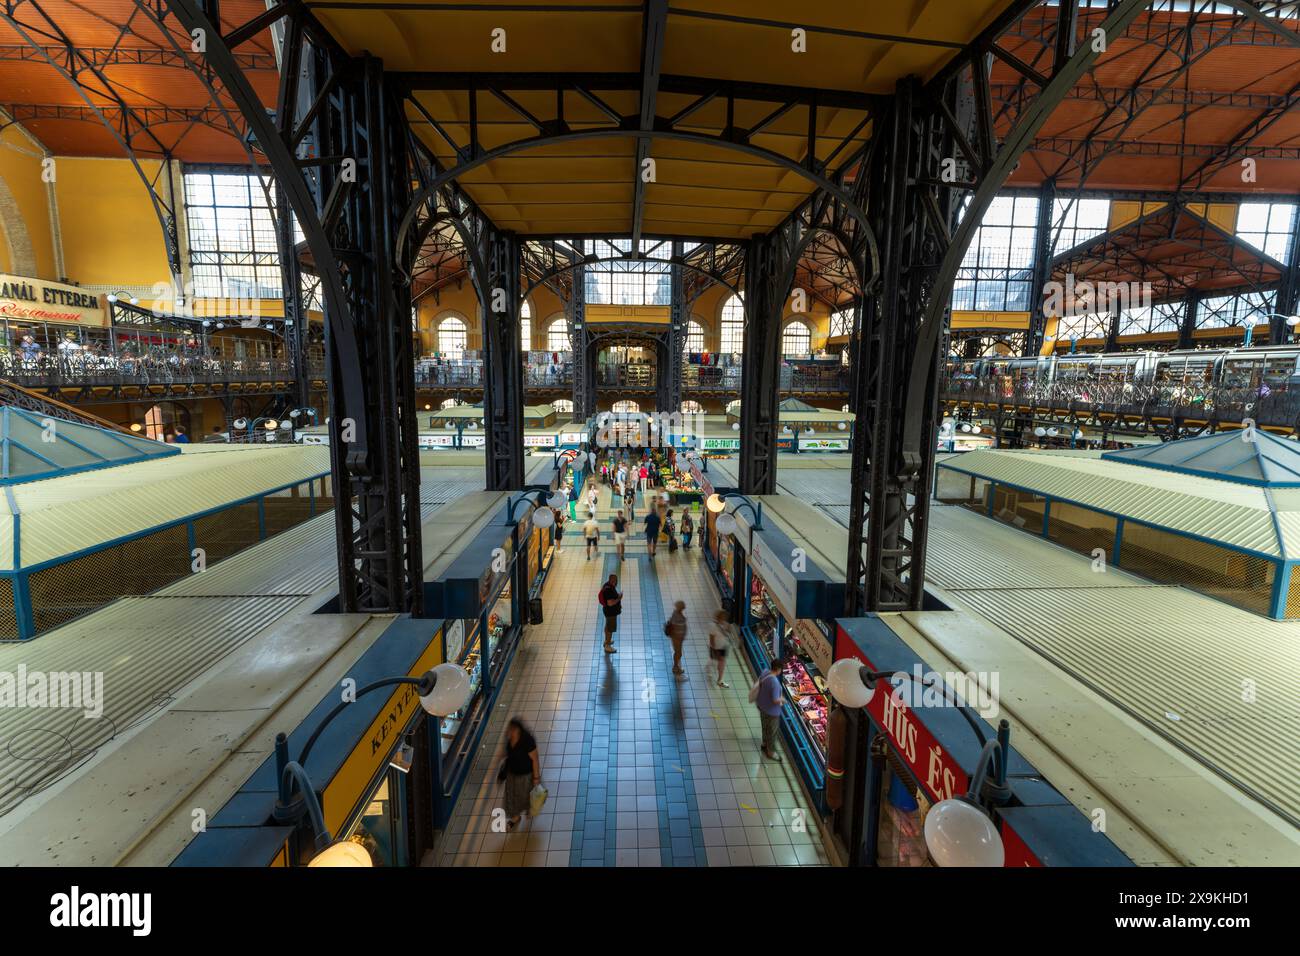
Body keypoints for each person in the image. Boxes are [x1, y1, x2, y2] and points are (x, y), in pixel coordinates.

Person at [496, 717, 541, 831]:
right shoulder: (509, 739)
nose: (509, 732)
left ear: (518, 730)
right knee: (511, 797)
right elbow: (507, 752)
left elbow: (535, 759)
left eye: (511, 730)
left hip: (526, 776)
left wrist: (536, 778)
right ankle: (515, 818)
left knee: (525, 796)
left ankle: (529, 809)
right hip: (512, 774)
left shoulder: (527, 740)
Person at [754, 656, 786, 762]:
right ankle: (770, 752)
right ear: (778, 669)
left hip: (762, 706)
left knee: (765, 725)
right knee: (772, 731)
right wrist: (783, 699)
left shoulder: (765, 672)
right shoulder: (775, 683)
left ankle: (764, 743)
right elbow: (775, 700)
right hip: (772, 712)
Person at [598, 574, 621, 653]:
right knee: (610, 629)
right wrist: (619, 598)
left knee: (607, 626)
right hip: (610, 613)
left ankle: (606, 641)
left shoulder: (607, 585)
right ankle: (607, 646)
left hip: (607, 611)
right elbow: (610, 603)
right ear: (612, 581)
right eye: (615, 580)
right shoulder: (608, 590)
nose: (616, 582)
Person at [708, 609, 730, 687]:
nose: (724, 619)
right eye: (722, 618)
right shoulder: (713, 625)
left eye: (725, 618)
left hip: (723, 647)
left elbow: (727, 633)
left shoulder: (725, 624)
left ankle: (720, 680)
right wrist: (714, 648)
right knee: (713, 660)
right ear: (718, 618)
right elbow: (711, 638)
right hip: (716, 647)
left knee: (722, 662)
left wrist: (726, 628)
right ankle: (709, 668)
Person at [665, 600, 687, 678]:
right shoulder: (677, 616)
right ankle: (675, 667)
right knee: (678, 653)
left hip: (678, 637)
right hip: (677, 638)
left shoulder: (676, 613)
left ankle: (676, 666)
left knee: (678, 652)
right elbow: (675, 627)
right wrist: (679, 636)